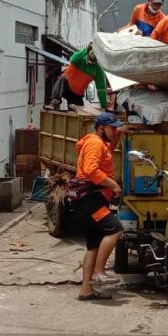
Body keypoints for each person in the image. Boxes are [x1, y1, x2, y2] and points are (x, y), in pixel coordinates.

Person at [74, 112, 126, 301]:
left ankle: (86, 289)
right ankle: (99, 272)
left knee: (93, 245)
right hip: (91, 199)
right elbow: (91, 170)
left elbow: (111, 147)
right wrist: (113, 185)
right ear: (101, 128)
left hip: (90, 199)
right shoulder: (95, 143)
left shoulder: (100, 143)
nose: (115, 131)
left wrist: (121, 131)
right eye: (112, 128)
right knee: (115, 229)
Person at [49, 43, 108, 110]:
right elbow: (73, 59)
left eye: (94, 59)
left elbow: (101, 89)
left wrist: (104, 106)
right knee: (62, 78)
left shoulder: (98, 70)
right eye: (90, 58)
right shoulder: (79, 59)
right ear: (88, 54)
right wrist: (86, 49)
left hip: (77, 94)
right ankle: (54, 102)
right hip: (66, 86)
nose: (91, 60)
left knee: (78, 114)